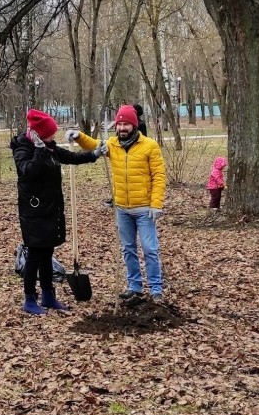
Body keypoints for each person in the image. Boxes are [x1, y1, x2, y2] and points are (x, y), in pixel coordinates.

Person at [68, 105, 166, 305]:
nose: (121, 128)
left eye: (126, 124)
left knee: (150, 249)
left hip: (145, 209)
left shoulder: (150, 146)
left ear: (134, 125)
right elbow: (93, 144)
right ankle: (135, 287)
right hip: (122, 208)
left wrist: (156, 203)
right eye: (119, 124)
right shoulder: (113, 144)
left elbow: (159, 175)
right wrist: (79, 136)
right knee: (128, 249)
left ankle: (156, 289)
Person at [10, 109, 103, 315]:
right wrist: (39, 150)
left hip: (51, 209)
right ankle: (29, 299)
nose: (53, 137)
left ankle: (48, 295)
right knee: (34, 254)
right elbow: (28, 172)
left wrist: (94, 154)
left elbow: (70, 157)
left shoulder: (49, 146)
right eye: (50, 134)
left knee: (47, 253)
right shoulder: (22, 148)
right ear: (40, 134)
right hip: (33, 212)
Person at [206, 156, 227, 220]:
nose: (223, 167)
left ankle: (217, 207)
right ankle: (212, 208)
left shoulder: (219, 171)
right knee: (215, 197)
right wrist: (222, 184)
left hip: (217, 187)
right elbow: (217, 179)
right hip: (213, 187)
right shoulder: (215, 171)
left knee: (218, 197)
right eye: (222, 166)